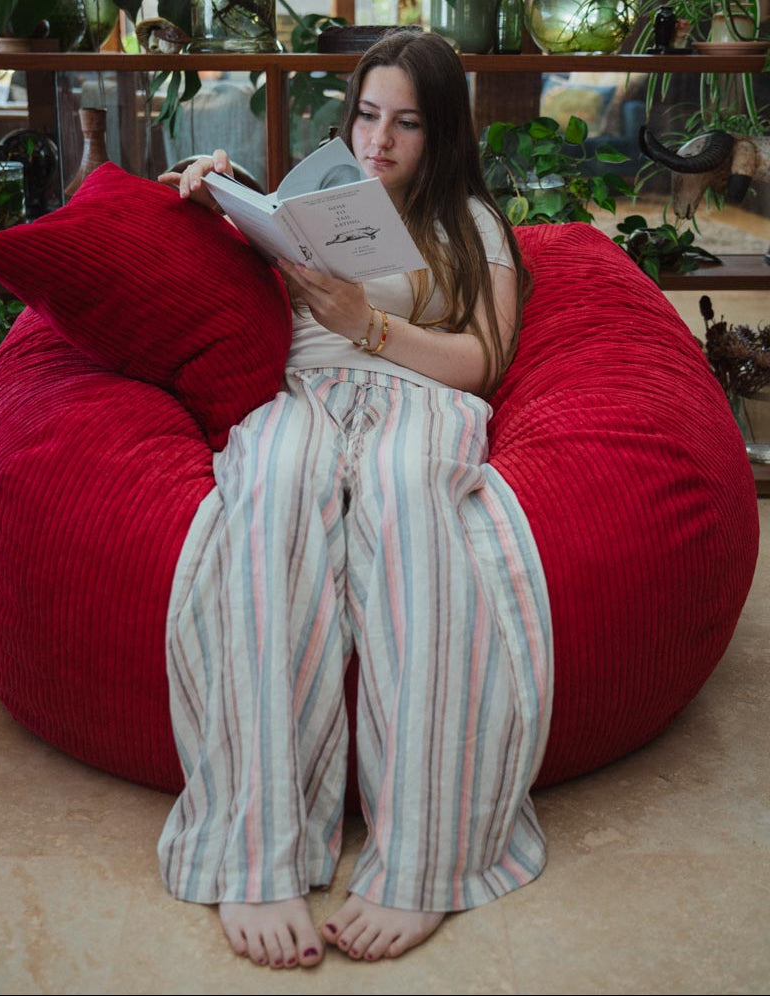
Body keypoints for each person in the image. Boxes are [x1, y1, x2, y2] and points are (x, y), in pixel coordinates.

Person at [157, 29, 552, 970]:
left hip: (417, 394)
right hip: (300, 391)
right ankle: (258, 852)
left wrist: (366, 322)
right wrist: (209, 186)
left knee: (412, 514)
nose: (379, 141)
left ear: (443, 130)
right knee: (267, 504)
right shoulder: (316, 195)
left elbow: (483, 363)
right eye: (368, 114)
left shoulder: (471, 224)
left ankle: (421, 855)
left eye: (407, 123)